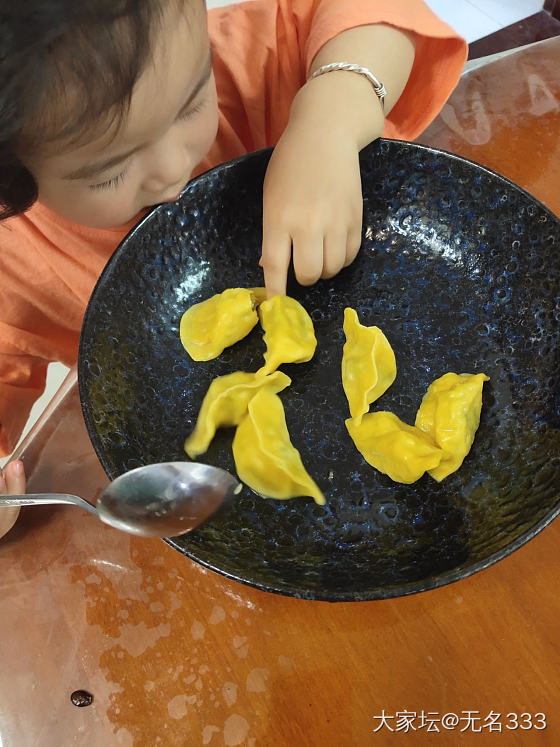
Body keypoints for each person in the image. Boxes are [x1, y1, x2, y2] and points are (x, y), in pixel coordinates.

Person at [0, 0, 467, 535]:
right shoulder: (12, 269)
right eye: (110, 173)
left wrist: (331, 115)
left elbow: (373, 11)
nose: (174, 167)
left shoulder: (236, 65)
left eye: (191, 102)